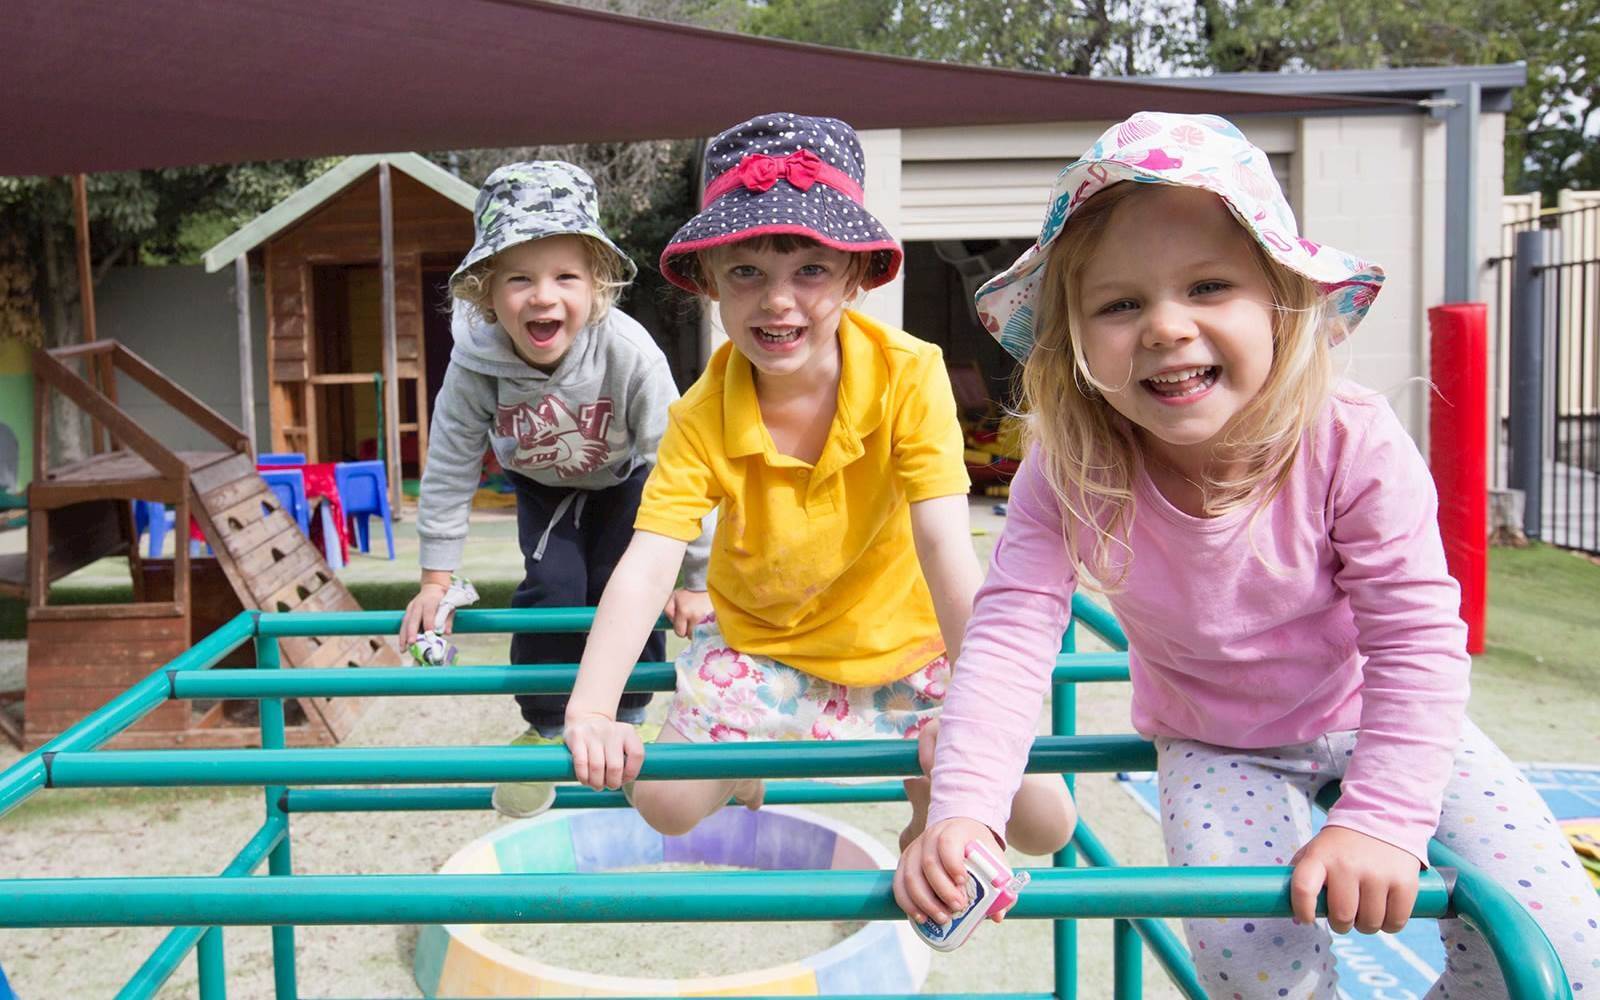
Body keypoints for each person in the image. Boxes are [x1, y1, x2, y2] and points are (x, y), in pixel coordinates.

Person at [896, 111, 1600, 994]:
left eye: (1209, 286)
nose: (1164, 327)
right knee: (1252, 967)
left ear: (1282, 301)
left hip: (1372, 712)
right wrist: (964, 811)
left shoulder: (1351, 444)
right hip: (1216, 743)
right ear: (1073, 342)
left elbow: (1417, 642)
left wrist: (1382, 820)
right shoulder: (1071, 468)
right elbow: (1004, 645)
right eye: (1120, 303)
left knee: (1561, 945)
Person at [558, 112, 1077, 853]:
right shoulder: (701, 412)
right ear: (709, 281)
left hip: (907, 645)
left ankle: (930, 805)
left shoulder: (909, 374)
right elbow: (647, 565)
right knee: (665, 804)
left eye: (809, 269)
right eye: (747, 272)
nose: (777, 301)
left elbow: (943, 545)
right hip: (768, 647)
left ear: (856, 276)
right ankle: (744, 767)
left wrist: (982, 701)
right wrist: (593, 708)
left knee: (1044, 824)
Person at [400, 161, 712, 819]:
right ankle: (544, 728)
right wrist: (435, 581)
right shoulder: (476, 363)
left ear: (596, 285)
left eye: (565, 277)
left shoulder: (629, 352)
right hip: (544, 486)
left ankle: (628, 717)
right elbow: (452, 465)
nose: (543, 297)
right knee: (556, 589)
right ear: (487, 293)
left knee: (623, 584)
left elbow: (682, 464)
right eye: (519, 278)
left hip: (631, 482)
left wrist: (697, 579)